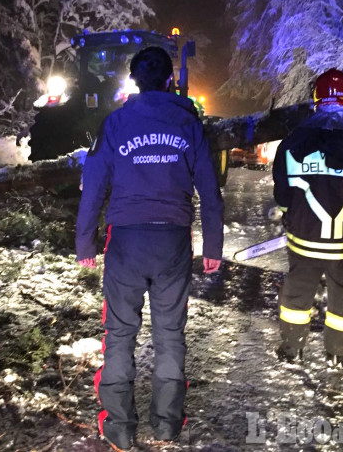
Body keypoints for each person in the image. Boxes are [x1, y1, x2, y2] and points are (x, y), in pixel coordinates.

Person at [76, 46, 224, 450]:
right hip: (173, 241)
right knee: (170, 334)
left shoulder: (117, 123)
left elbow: (94, 185)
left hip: (125, 240)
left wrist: (84, 241)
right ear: (169, 80)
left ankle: (120, 426)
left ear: (136, 80)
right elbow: (210, 189)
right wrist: (213, 244)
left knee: (120, 333)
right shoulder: (188, 124)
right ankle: (167, 423)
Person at [272, 69, 343, 367]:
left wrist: (290, 214)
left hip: (305, 240)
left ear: (316, 99)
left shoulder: (294, 141)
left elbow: (283, 191)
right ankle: (336, 353)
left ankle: (292, 348)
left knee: (297, 295)